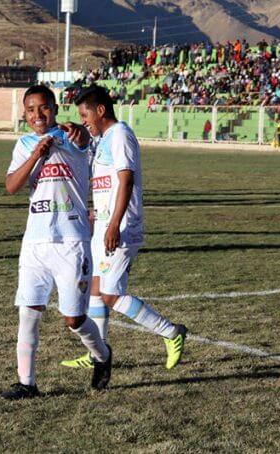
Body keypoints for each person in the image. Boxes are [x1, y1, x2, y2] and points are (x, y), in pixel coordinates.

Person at [60, 85, 187, 370]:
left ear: (100, 110)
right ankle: (97, 354)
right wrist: (99, 217)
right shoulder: (103, 139)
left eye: (85, 115)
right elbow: (106, 183)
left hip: (121, 228)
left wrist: (114, 224)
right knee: (94, 289)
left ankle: (171, 332)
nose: (84, 121)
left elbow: (126, 180)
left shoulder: (120, 135)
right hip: (104, 225)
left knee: (110, 294)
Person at [0, 85, 111, 400]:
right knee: (28, 312)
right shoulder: (23, 145)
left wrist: (82, 138)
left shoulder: (73, 137)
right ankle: (27, 383)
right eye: (31, 109)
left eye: (44, 107)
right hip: (35, 241)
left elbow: (89, 146)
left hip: (71, 241)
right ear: (24, 114)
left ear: (55, 108)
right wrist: (37, 153)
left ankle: (102, 355)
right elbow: (11, 186)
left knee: (74, 319)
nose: (38, 115)